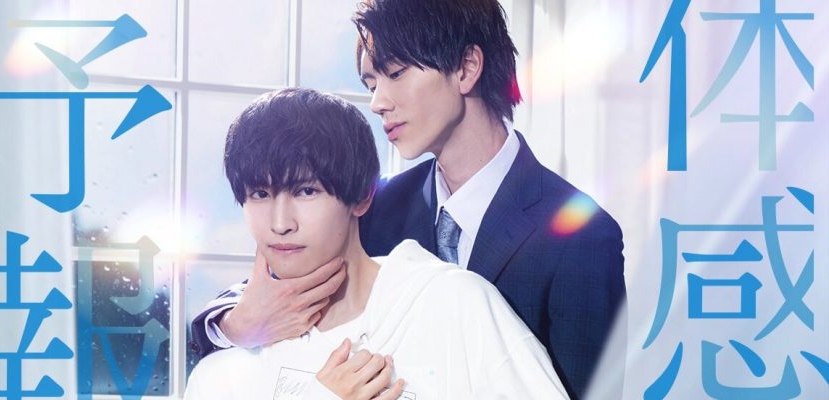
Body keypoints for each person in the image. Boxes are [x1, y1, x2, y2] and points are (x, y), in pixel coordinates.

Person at [191, 1, 626, 398]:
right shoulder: (376, 204)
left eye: (396, 73)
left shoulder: (582, 238)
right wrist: (236, 325)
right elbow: (273, 285)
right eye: (371, 82)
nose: (377, 102)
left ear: (467, 67)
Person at [184, 87, 569, 399]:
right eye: (259, 194)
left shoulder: (456, 304)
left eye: (305, 191)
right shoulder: (222, 372)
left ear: (362, 197)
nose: (280, 224)